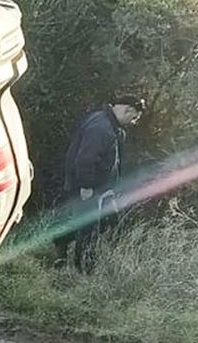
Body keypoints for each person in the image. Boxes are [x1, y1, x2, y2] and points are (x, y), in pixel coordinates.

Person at [54, 93, 146, 272]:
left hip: (102, 188)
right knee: (89, 230)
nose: (133, 122)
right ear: (128, 110)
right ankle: (85, 271)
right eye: (134, 117)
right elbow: (85, 160)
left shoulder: (111, 125)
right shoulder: (101, 127)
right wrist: (86, 186)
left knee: (106, 222)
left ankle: (61, 241)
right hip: (87, 187)